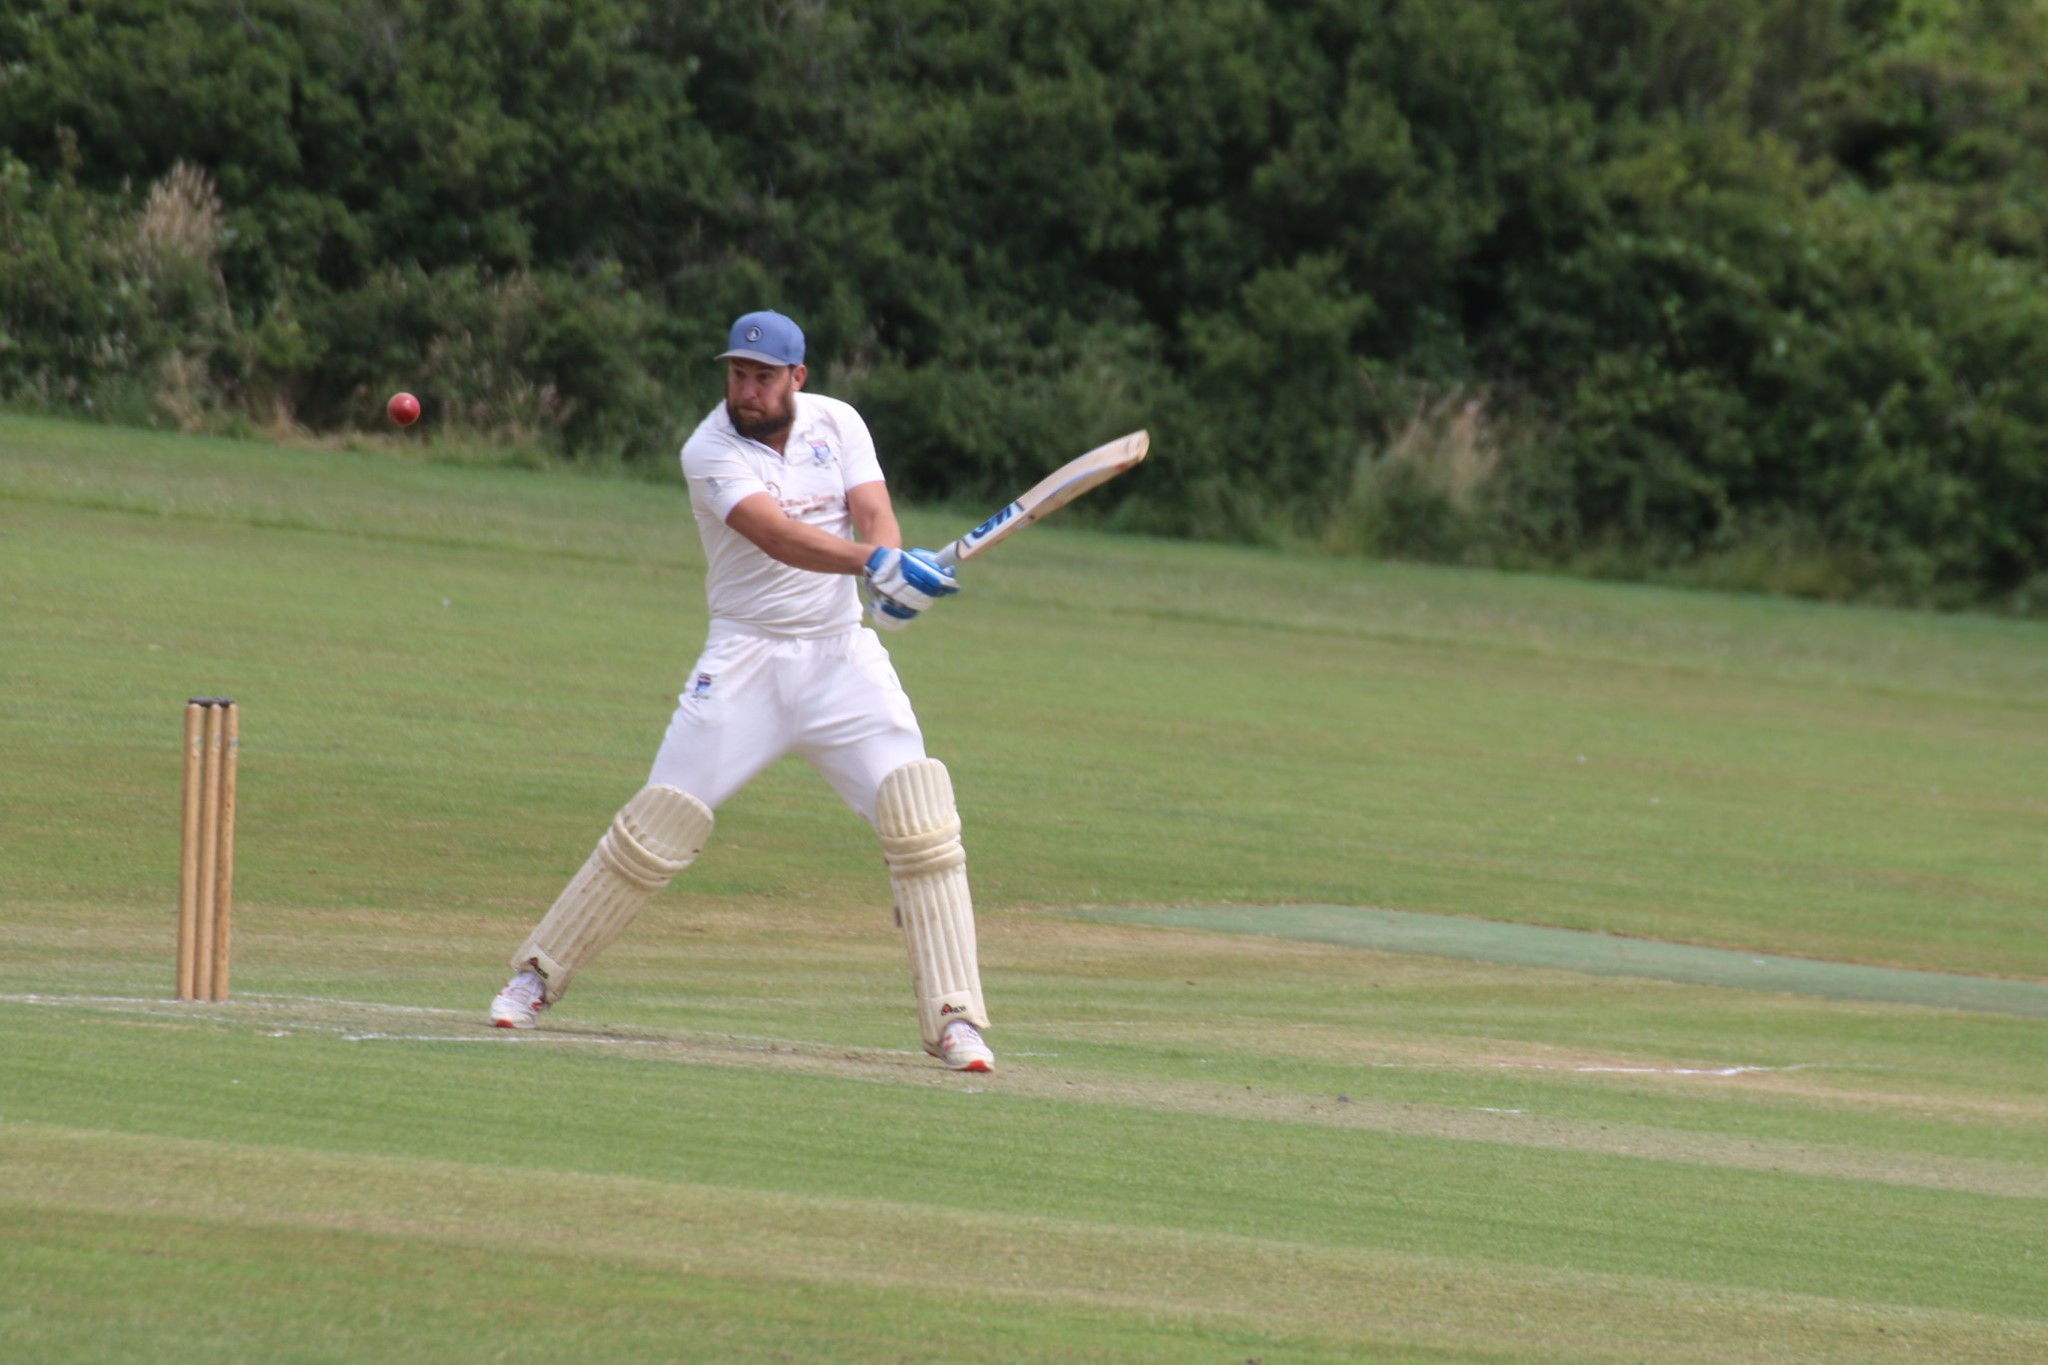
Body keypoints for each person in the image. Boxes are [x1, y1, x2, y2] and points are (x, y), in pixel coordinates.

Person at [487, 309, 995, 1073]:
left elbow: (873, 511)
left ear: (798, 377)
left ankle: (955, 1020)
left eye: (762, 377)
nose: (746, 390)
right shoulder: (709, 448)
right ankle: (535, 975)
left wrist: (891, 570)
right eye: (737, 375)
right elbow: (775, 535)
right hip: (745, 659)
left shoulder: (838, 422)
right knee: (657, 823)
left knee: (921, 822)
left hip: (842, 660)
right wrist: (872, 563)